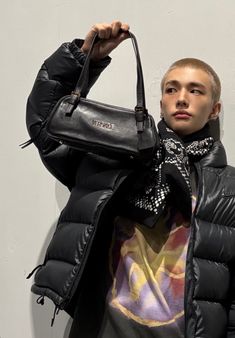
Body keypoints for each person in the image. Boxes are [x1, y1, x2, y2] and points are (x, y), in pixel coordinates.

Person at [25, 20, 235, 338]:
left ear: (215, 108)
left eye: (196, 90)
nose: (182, 98)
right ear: (161, 102)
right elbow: (46, 125)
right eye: (171, 88)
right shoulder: (115, 159)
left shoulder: (229, 188)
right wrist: (85, 58)